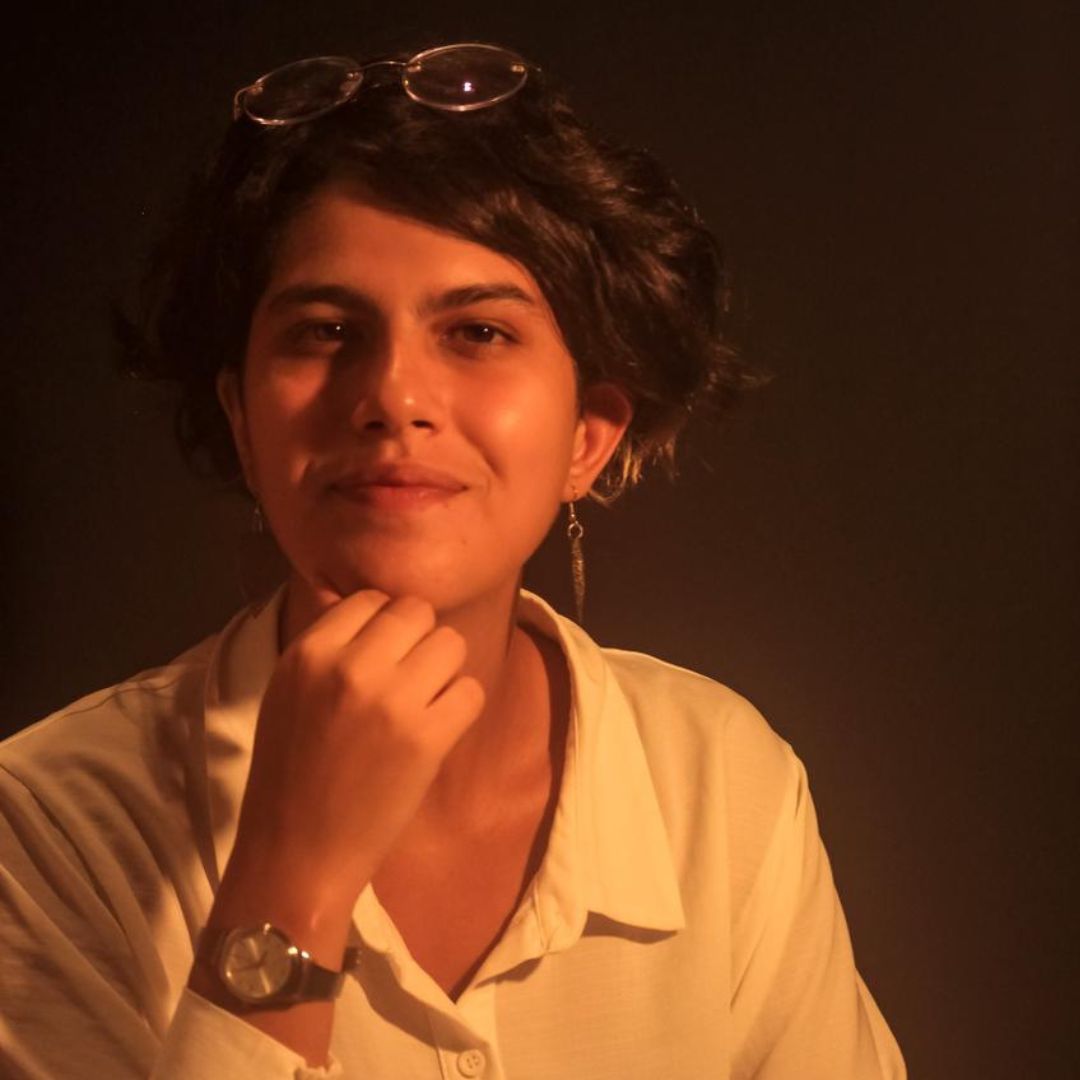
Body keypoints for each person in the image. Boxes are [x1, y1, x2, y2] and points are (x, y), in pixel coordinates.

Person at [0, 41, 905, 1079]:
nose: (393, 397)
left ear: (589, 435)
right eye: (326, 330)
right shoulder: (51, 824)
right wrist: (294, 874)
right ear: (243, 422)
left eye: (477, 332)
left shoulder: (718, 779)